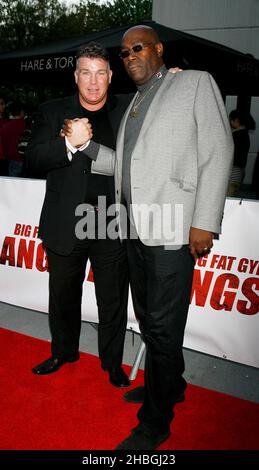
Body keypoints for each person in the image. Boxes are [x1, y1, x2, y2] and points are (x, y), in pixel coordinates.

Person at [88, 25, 233, 450]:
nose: (129, 55)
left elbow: (218, 149)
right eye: (123, 52)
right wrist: (90, 150)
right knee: (151, 321)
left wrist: (204, 221)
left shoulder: (193, 82)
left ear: (158, 49)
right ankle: (172, 385)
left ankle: (155, 421)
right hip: (134, 228)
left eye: (137, 47)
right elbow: (128, 166)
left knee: (165, 328)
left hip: (173, 230)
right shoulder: (134, 102)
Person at [25, 43, 132, 388]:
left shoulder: (128, 110)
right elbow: (33, 159)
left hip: (110, 222)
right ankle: (63, 352)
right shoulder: (53, 110)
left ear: (111, 76)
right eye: (85, 72)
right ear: (76, 76)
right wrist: (69, 144)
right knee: (63, 296)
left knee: (112, 299)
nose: (93, 81)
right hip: (65, 222)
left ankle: (112, 363)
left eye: (100, 73)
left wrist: (169, 79)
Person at [227, 109, 256, 197]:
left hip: (233, 173)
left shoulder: (237, 135)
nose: (230, 122)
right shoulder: (244, 134)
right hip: (239, 172)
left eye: (231, 120)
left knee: (228, 199)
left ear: (236, 120)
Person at [1, 101, 25, 177]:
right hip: (25, 160)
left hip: (12, 160)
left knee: (13, 185)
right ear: (21, 112)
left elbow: (4, 144)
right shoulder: (26, 125)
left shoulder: (5, 127)